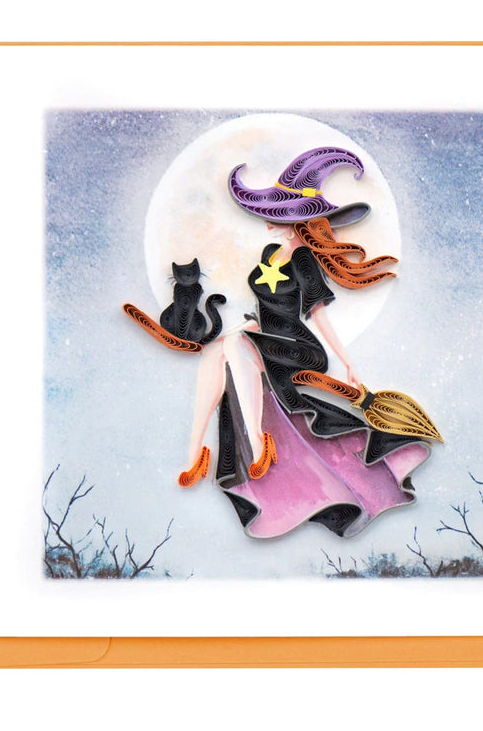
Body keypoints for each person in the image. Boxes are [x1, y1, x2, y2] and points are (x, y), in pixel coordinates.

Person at [126, 146, 440, 539]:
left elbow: (318, 314)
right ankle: (195, 456)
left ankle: (260, 446)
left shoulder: (304, 259)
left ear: (294, 220)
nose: (267, 222)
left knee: (234, 345)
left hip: (298, 348)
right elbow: (265, 309)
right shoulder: (270, 253)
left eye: (275, 214)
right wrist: (251, 326)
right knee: (217, 352)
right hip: (268, 340)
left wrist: (346, 363)